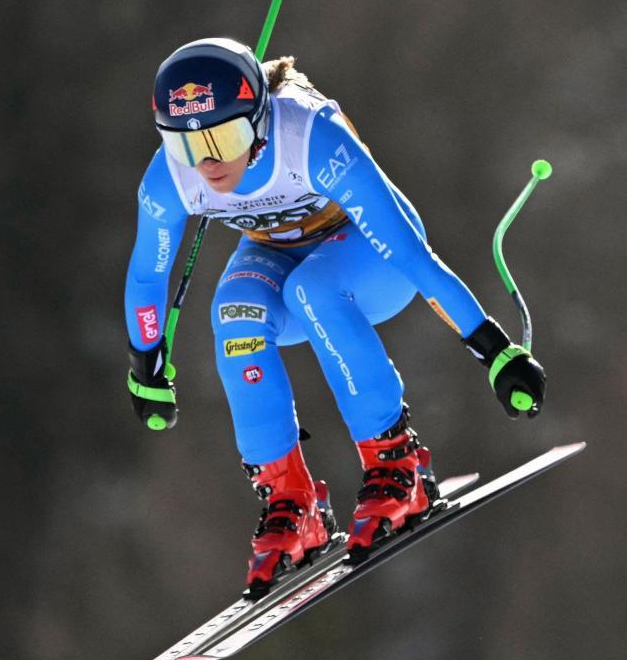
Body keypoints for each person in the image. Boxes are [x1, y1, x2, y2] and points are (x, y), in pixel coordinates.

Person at [124, 37, 547, 599]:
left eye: (224, 137)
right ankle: (291, 504)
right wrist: (145, 363)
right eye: (184, 144)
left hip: (371, 261)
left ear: (258, 120)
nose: (208, 162)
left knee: (313, 289)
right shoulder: (171, 178)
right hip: (280, 252)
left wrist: (492, 349)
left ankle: (396, 464)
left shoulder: (310, 139)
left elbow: (410, 255)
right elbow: (148, 277)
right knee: (234, 314)